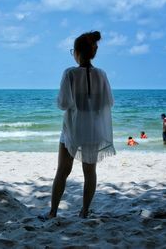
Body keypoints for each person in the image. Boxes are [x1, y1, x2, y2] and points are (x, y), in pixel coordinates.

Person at [42, 31, 115, 220]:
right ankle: (84, 212)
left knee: (63, 171)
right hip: (93, 130)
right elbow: (107, 102)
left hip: (73, 129)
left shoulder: (70, 73)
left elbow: (63, 104)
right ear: (93, 52)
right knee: (90, 172)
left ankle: (53, 212)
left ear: (76, 52)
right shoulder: (102, 74)